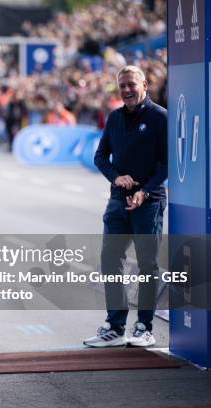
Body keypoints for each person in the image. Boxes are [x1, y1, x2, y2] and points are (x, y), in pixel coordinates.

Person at [84, 65, 167, 348]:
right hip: (118, 201)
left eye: (132, 84)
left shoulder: (159, 117)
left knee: (147, 265)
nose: (127, 90)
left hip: (149, 202)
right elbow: (100, 157)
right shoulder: (115, 117)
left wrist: (144, 191)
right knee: (110, 261)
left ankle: (144, 326)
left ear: (145, 85)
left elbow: (167, 164)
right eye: (122, 86)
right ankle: (115, 326)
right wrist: (116, 177)